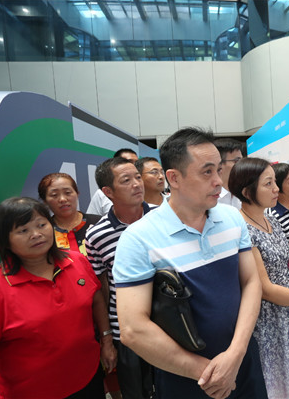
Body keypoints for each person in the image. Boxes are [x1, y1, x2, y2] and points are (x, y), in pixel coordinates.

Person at [113, 127, 267, 399]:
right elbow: (133, 329)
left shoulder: (232, 218)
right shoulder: (138, 238)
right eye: (207, 172)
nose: (218, 181)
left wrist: (236, 353)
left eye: (219, 170)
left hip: (243, 360)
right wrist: (210, 373)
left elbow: (251, 281)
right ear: (174, 178)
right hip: (184, 374)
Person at [0, 197, 116, 398]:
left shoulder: (77, 261)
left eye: (41, 225)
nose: (36, 234)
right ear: (5, 239)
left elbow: (96, 298)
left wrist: (106, 339)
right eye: (23, 230)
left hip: (88, 380)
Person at [229, 157, 289, 398]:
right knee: (272, 378)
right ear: (247, 192)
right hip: (267, 318)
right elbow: (263, 288)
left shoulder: (272, 220)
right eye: (268, 184)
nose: (276, 189)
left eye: (275, 182)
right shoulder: (243, 230)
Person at [85, 157, 157, 399]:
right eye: (126, 180)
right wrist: (106, 338)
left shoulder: (165, 216)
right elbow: (101, 289)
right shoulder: (97, 235)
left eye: (137, 177)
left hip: (172, 322)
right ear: (108, 192)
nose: (137, 184)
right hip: (127, 330)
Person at [38, 172, 101, 256]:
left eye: (67, 193)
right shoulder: (43, 233)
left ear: (77, 193)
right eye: (54, 195)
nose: (62, 199)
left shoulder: (100, 222)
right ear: (45, 201)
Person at [88, 148, 138, 216]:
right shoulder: (101, 194)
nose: (134, 165)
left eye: (137, 163)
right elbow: (92, 218)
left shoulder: (142, 188)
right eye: (129, 161)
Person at [214, 138, 244, 209]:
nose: (243, 165)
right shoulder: (211, 199)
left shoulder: (244, 195)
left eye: (243, 161)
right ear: (219, 164)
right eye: (237, 161)